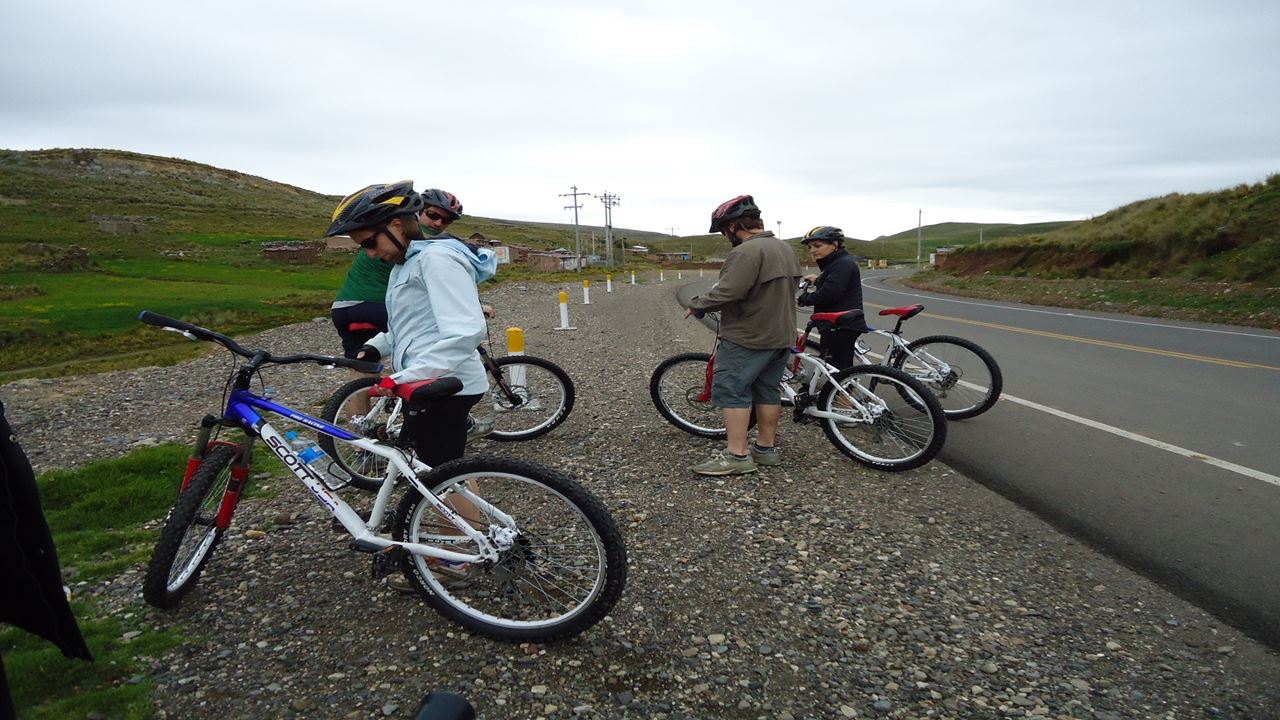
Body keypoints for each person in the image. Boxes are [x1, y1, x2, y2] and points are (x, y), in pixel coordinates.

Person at [324, 181, 495, 468]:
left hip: (446, 385)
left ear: (397, 225)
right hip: (430, 382)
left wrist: (402, 378)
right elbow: (409, 322)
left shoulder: (436, 260)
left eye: (369, 243)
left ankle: (465, 514)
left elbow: (466, 331)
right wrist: (377, 346)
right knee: (439, 473)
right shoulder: (407, 263)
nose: (370, 253)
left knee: (442, 479)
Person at [685, 195, 802, 476]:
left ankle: (737, 455)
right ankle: (765, 449)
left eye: (726, 229)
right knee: (767, 390)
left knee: (732, 391)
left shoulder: (746, 252)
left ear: (736, 225)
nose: (726, 236)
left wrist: (698, 304)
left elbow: (729, 291)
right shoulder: (785, 248)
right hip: (781, 335)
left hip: (749, 336)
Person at [796, 226, 866, 370]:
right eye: (810, 247)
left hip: (840, 325)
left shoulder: (842, 264)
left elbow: (830, 294)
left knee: (838, 372)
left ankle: (842, 393)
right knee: (838, 369)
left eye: (817, 245)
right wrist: (818, 280)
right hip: (839, 324)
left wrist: (804, 298)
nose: (812, 250)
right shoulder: (836, 263)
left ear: (834, 244)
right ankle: (840, 391)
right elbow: (836, 284)